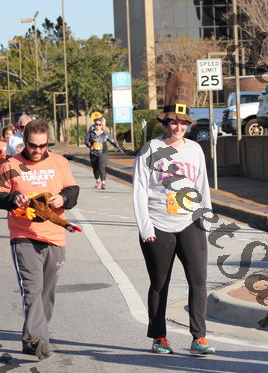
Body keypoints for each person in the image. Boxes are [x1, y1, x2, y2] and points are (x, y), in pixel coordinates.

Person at [132, 72, 215, 356]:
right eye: (173, 122)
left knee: (198, 282)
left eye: (183, 123)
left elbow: (202, 185)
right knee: (160, 283)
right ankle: (159, 337)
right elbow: (139, 191)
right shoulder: (150, 150)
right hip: (158, 225)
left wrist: (206, 218)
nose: (178, 127)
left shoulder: (195, 150)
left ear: (188, 125)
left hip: (190, 222)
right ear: (165, 123)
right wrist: (146, 227)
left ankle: (199, 338)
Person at [0, 118, 79, 360]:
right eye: (33, 145)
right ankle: (39, 339)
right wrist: (14, 198)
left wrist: (63, 198)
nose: (38, 150)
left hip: (55, 236)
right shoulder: (10, 164)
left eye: (43, 145)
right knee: (32, 290)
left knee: (47, 294)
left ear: (48, 142)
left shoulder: (59, 162)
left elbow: (73, 191)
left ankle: (29, 337)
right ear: (24, 141)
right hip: (23, 235)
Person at [84, 118, 123, 189]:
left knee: (102, 166)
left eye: (99, 124)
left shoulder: (105, 133)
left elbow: (112, 141)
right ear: (94, 125)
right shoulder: (90, 133)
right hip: (94, 153)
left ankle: (103, 183)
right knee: (95, 168)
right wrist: (90, 146)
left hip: (103, 153)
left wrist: (118, 147)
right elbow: (86, 141)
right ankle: (97, 181)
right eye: (96, 124)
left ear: (101, 125)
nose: (98, 126)